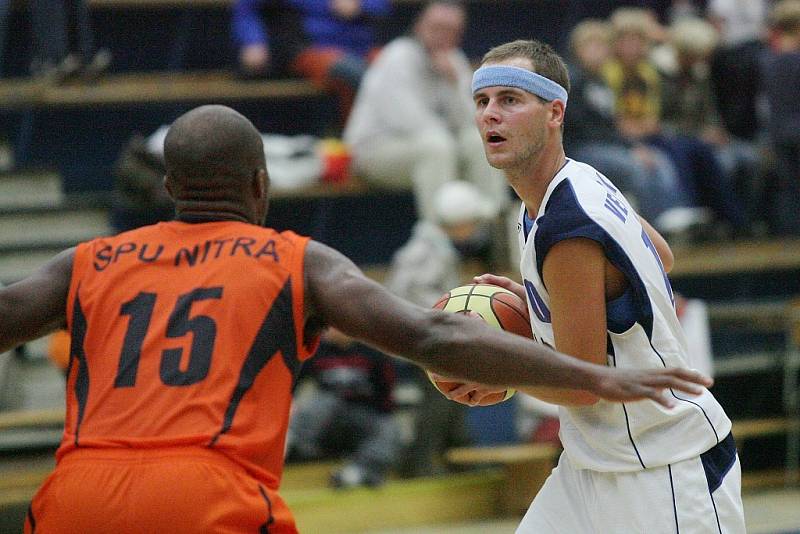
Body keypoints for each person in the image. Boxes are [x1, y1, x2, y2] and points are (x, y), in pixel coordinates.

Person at [1, 105, 711, 533]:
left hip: (75, 496)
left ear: (169, 188)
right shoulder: (294, 260)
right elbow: (430, 335)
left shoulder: (86, 260)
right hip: (203, 494)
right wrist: (590, 373)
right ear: (261, 184)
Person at [462, 40, 745, 532]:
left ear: (554, 113)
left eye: (510, 99)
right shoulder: (580, 181)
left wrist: (497, 371)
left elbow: (583, 384)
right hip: (592, 463)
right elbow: (662, 255)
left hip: (662, 469)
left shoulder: (567, 222)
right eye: (483, 102)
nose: (491, 115)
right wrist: (550, 302)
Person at [343, 0, 508, 222]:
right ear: (420, 26)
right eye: (436, 27)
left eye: (449, 30)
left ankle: (493, 226)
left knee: (479, 143)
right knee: (436, 147)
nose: (441, 35)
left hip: (436, 144)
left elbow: (473, 121)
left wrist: (452, 83)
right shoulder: (398, 55)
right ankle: (438, 239)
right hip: (373, 150)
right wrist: (451, 137)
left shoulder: (454, 61)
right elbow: (408, 121)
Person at [232, 0, 390, 126]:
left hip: (362, 46)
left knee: (393, 67)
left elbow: (382, 5)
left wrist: (361, 5)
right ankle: (362, 143)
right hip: (309, 48)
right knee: (352, 72)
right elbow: (247, 9)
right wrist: (253, 40)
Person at [286, 327, 402, 489]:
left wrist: (379, 418)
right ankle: (293, 449)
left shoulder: (373, 351)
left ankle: (356, 473)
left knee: (388, 427)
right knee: (323, 401)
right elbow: (292, 384)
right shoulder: (316, 350)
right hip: (326, 421)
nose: (332, 330)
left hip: (361, 415)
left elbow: (386, 395)